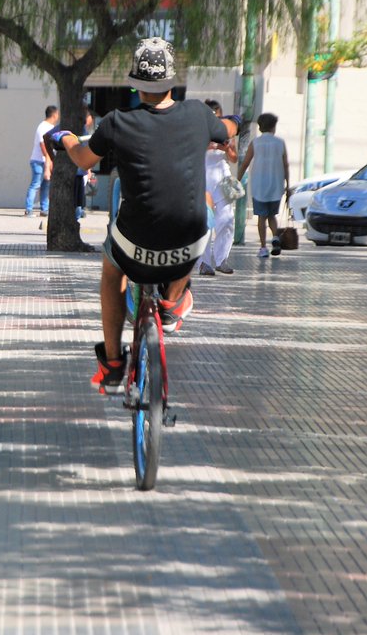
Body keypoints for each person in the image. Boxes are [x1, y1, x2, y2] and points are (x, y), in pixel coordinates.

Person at [47, 37, 241, 390]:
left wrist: (65, 138)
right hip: (187, 250)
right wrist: (237, 121)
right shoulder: (199, 115)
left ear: (135, 84)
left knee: (111, 270)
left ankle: (112, 364)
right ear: (172, 81)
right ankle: (171, 302)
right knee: (204, 214)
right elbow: (228, 128)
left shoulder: (117, 122)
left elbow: (82, 159)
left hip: (135, 250)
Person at [237, 112, 289, 258]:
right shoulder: (280, 143)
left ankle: (263, 248)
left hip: (259, 186)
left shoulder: (256, 143)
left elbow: (245, 163)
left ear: (260, 127)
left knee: (261, 217)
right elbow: (286, 165)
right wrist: (288, 183)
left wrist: (237, 180)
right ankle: (275, 237)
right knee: (272, 215)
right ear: (273, 127)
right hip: (276, 185)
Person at [197, 99, 238, 276]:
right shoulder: (198, 130)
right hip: (203, 176)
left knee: (227, 218)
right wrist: (211, 145)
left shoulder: (227, 132)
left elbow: (234, 158)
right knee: (205, 220)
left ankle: (222, 259)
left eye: (218, 117)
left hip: (223, 178)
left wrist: (227, 148)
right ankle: (204, 262)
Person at [26, 105, 59, 217]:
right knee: (36, 184)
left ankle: (44, 209)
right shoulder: (43, 127)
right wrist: (49, 160)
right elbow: (43, 145)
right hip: (38, 161)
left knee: (46, 186)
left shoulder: (50, 127)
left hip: (45, 161)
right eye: (57, 114)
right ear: (54, 115)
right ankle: (28, 209)